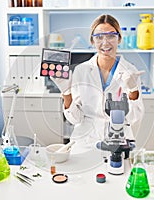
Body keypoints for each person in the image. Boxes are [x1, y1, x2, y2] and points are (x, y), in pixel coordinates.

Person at [52, 14, 145, 150]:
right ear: (92, 41)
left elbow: (134, 119)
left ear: (119, 38)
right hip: (85, 140)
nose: (105, 42)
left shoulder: (130, 72)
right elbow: (75, 119)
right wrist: (66, 93)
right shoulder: (81, 70)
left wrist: (133, 91)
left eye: (111, 36)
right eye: (99, 37)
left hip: (118, 141)